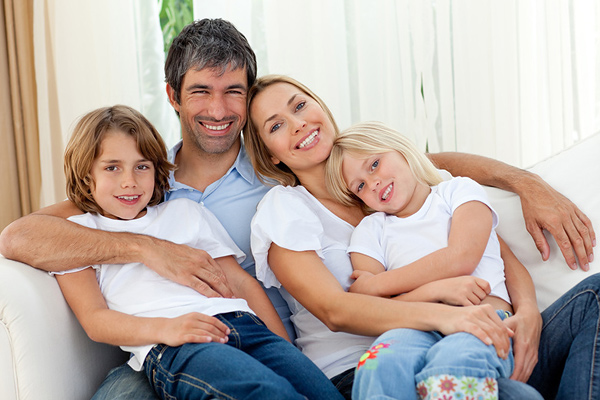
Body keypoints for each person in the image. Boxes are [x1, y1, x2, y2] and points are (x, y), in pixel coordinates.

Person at [0, 18, 595, 399]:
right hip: (213, 344)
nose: (218, 109)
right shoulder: (147, 186)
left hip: (373, 339)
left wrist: (525, 187)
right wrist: (149, 248)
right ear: (173, 95)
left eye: (233, 92)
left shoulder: (335, 171)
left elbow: (434, 171)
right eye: (201, 91)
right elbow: (23, 235)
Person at [245, 74, 600, 399]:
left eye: (300, 106)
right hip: (372, 362)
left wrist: (528, 315)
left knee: (593, 295)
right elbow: (336, 309)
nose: (298, 124)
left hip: (480, 329)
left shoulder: (398, 181)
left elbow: (495, 253)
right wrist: (443, 311)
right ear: (270, 156)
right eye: (276, 125)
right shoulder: (287, 209)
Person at [53, 104, 341, 399]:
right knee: (267, 393)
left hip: (246, 325)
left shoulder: (185, 211)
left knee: (322, 393)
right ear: (86, 176)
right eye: (112, 167)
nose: (129, 181)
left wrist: (283, 347)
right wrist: (167, 329)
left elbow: (240, 282)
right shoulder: (78, 235)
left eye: (142, 166)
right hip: (180, 343)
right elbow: (95, 320)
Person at [325, 121, 514, 399]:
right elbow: (371, 307)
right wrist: (436, 290)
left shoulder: (458, 191)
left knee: (452, 365)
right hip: (412, 329)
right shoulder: (370, 230)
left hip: (483, 316)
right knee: (377, 366)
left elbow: (461, 257)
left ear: (400, 150)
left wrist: (376, 284)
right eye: (360, 186)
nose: (373, 183)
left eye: (374, 164)